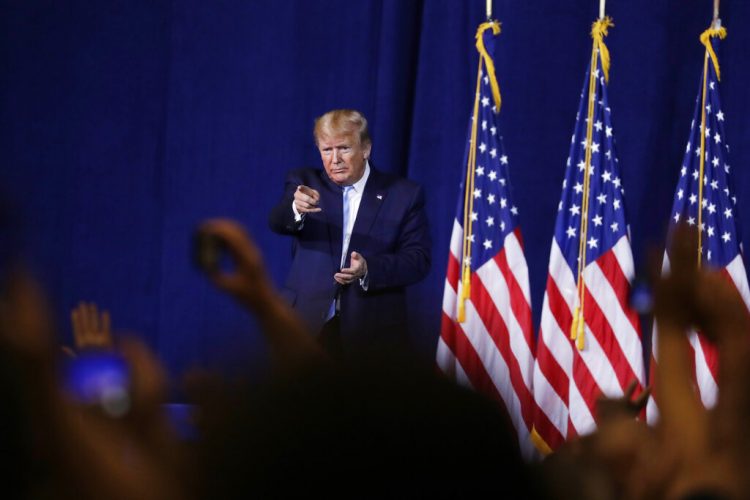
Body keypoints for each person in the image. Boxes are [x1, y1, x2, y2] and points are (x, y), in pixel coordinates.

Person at [268, 109, 431, 354]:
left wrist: (369, 269)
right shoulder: (304, 182)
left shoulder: (403, 195)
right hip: (305, 327)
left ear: (365, 149)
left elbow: (418, 260)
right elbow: (278, 221)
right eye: (327, 150)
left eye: (344, 148)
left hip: (372, 335)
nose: (335, 159)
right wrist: (295, 208)